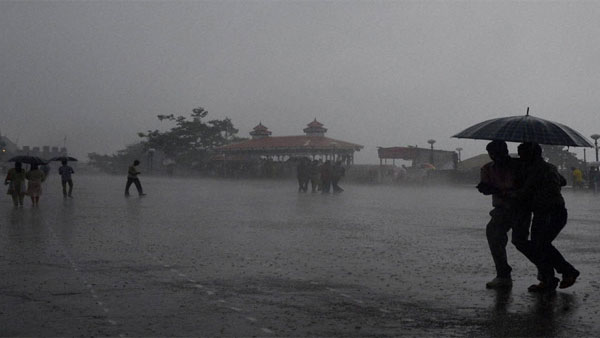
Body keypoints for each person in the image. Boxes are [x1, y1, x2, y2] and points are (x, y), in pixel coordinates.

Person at [510, 142, 579, 293]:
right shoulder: (549, 167)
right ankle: (549, 278)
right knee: (539, 244)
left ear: (532, 154)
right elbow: (563, 181)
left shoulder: (537, 170)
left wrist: (505, 192)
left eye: (523, 154)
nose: (520, 157)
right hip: (550, 211)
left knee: (541, 244)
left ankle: (567, 271)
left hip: (549, 212)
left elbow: (525, 191)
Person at [476, 140, 529, 289]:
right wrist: (486, 188)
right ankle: (503, 274)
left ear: (505, 151)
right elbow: (486, 186)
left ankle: (547, 273)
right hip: (501, 209)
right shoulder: (487, 168)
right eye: (492, 154)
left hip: (521, 208)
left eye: (498, 153)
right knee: (494, 236)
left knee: (522, 242)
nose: (495, 157)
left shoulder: (522, 166)